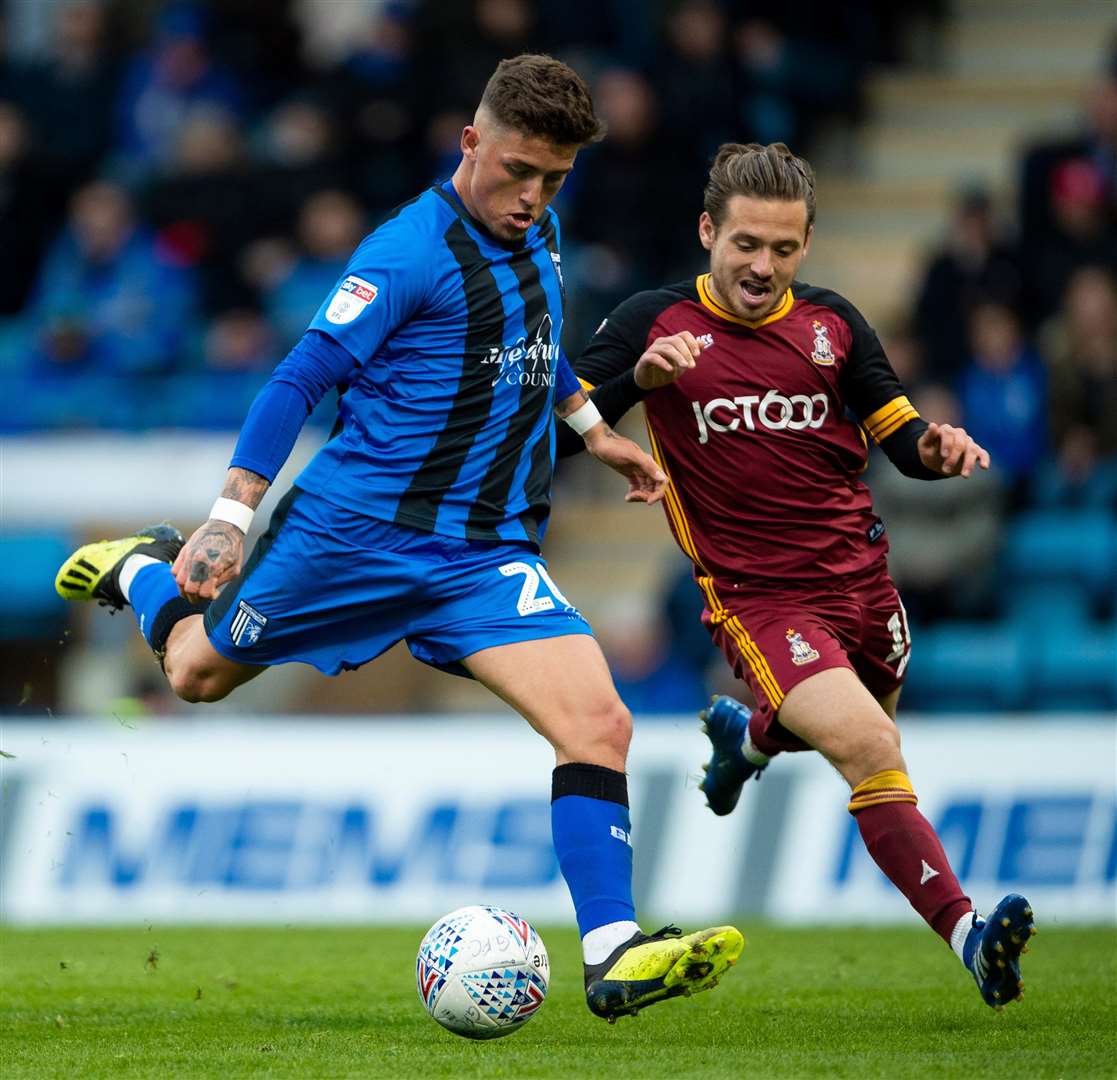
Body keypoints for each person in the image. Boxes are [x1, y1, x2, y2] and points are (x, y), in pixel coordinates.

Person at [53, 54, 742, 1023]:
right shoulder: (405, 253)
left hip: (481, 556)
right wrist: (230, 515)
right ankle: (141, 570)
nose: (533, 196)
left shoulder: (539, 232)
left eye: (554, 178)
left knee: (599, 723)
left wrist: (596, 435)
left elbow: (536, 351)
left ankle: (613, 951)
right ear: (470, 143)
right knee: (195, 674)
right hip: (350, 538)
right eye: (517, 172)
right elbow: (298, 380)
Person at [567, 141, 1035, 1012]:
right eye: (745, 243)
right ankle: (970, 937)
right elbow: (556, 437)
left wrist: (934, 450)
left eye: (783, 249)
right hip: (757, 599)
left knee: (848, 734)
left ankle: (743, 744)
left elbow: (901, 438)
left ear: (806, 245)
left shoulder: (834, 325)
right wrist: (634, 380)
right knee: (870, 749)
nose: (762, 265)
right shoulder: (649, 323)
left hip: (863, 583)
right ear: (708, 230)